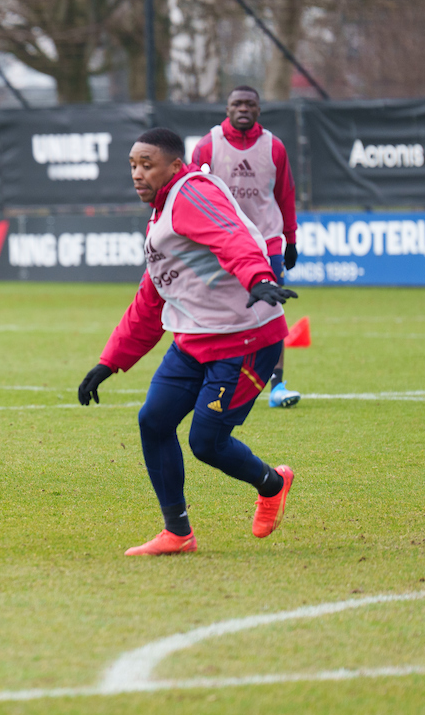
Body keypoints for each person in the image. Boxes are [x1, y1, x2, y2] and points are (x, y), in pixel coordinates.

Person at [77, 128, 297, 556]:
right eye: (133, 166)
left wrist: (260, 277)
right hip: (195, 341)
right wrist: (109, 362)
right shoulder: (161, 216)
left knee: (206, 443)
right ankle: (178, 532)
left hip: (245, 339)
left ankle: (273, 483)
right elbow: (151, 299)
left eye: (147, 165)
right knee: (154, 421)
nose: (138, 174)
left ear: (175, 166)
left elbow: (232, 236)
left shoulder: (191, 194)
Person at [191, 86, 301, 408]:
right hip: (223, 242)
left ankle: (277, 387)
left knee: (272, 312)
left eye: (249, 104)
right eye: (236, 103)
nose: (243, 108)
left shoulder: (274, 147)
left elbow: (286, 195)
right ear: (227, 108)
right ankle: (215, 379)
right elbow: (193, 196)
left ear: (258, 109)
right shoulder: (208, 146)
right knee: (216, 311)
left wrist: (290, 240)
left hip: (267, 242)